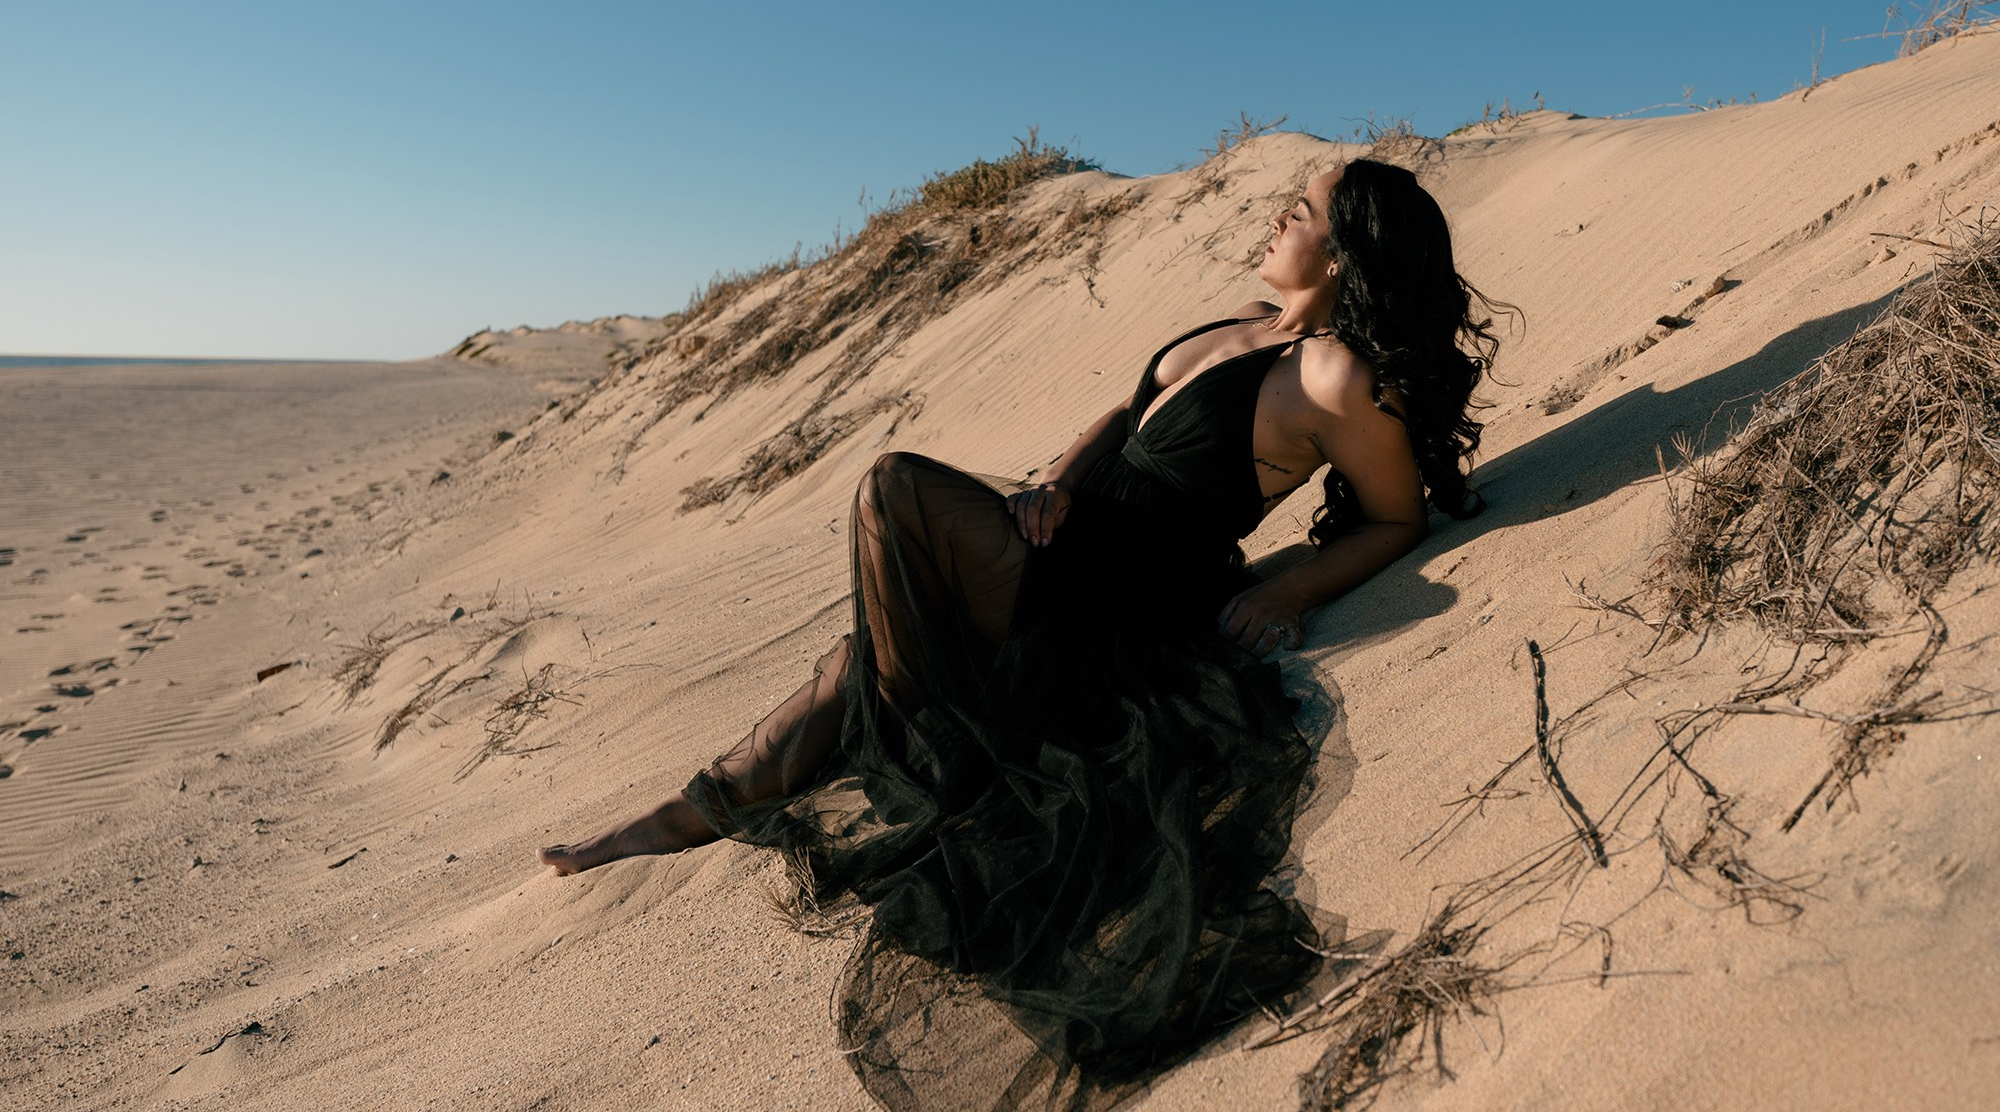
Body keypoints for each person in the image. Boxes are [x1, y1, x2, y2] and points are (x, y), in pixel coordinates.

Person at [539, 159, 1505, 1110]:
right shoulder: (1246, 326)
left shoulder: (1335, 374)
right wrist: (1053, 477)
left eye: (1297, 212)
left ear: (1339, 257)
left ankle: (928, 734)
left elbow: (1397, 520)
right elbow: (1125, 415)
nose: (1275, 218)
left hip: (1118, 600)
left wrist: (1292, 588)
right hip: (1065, 538)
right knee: (855, 658)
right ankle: (679, 814)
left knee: (893, 491)